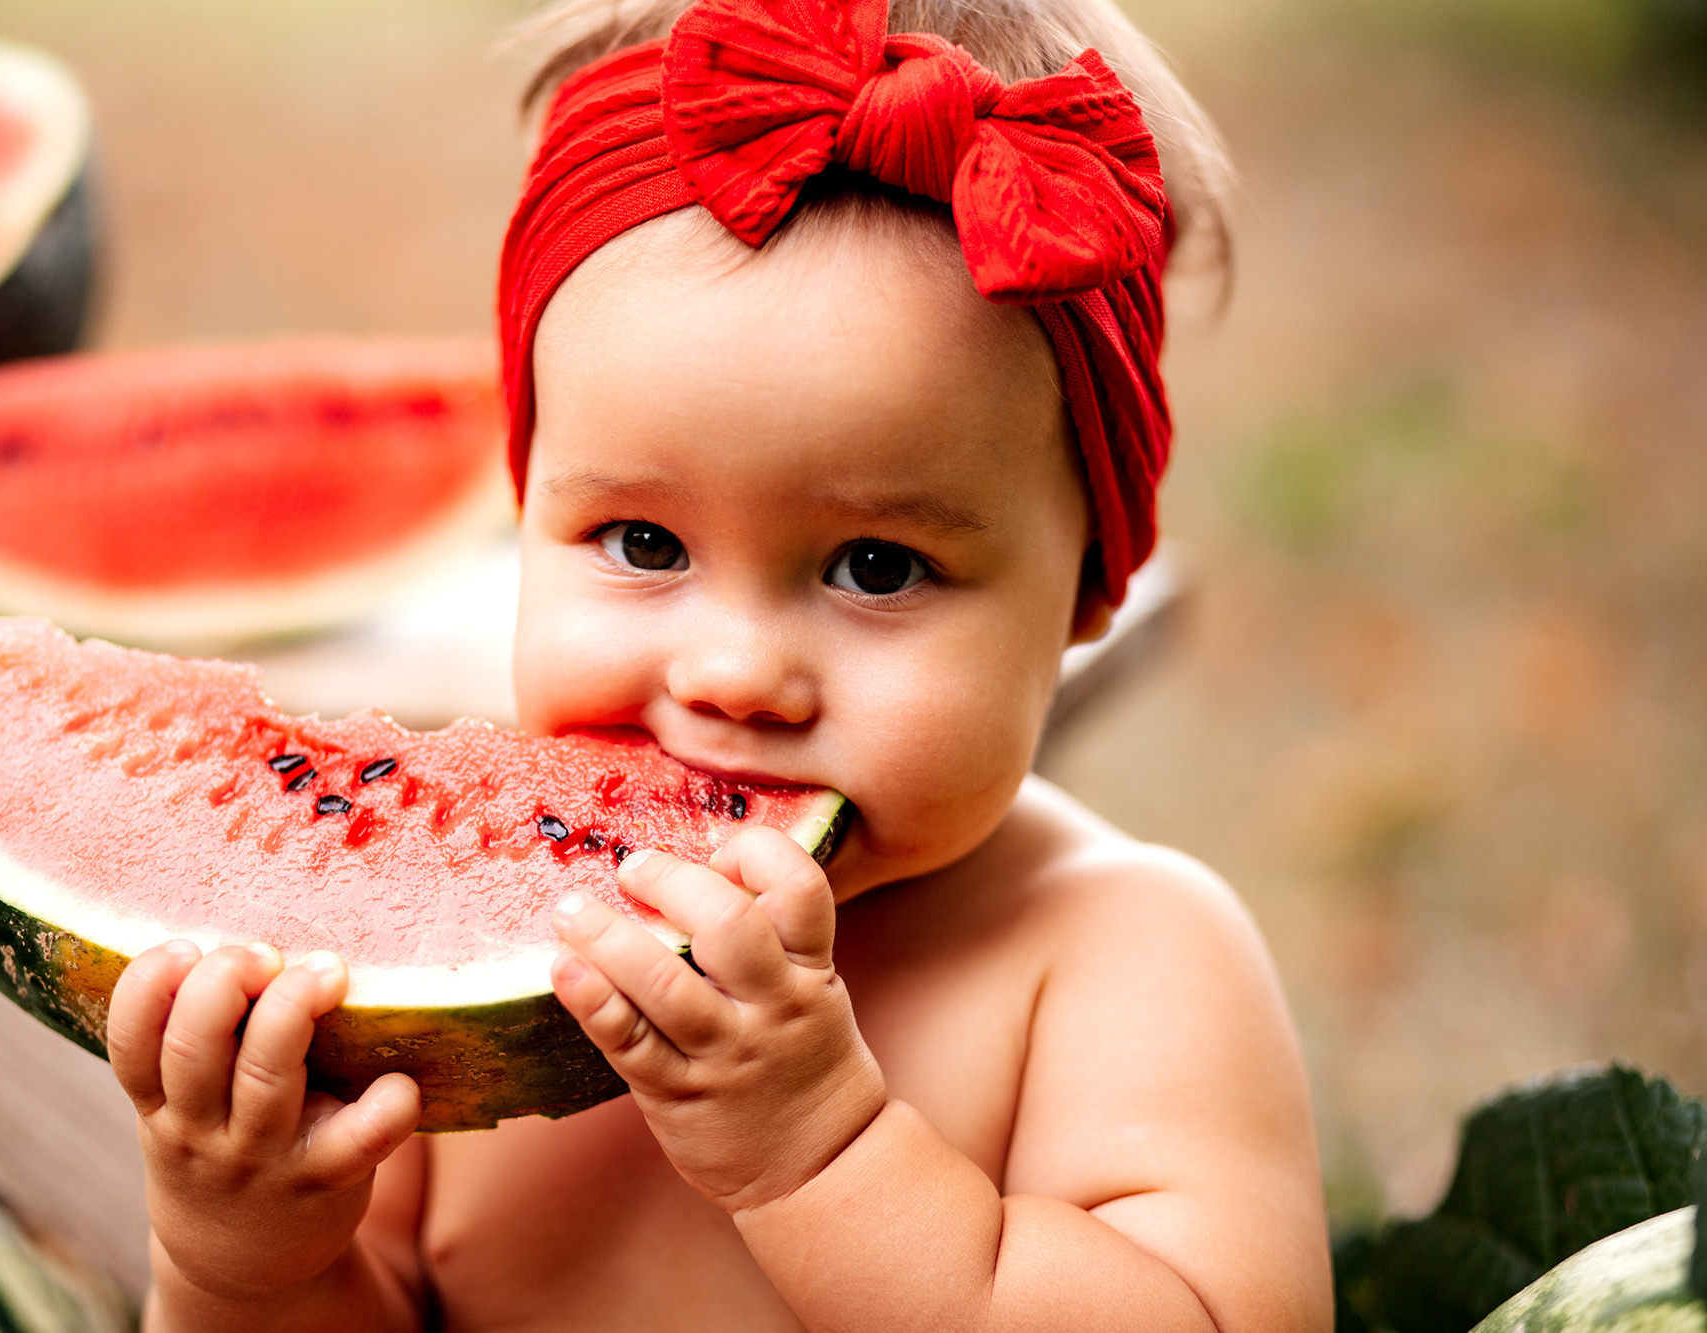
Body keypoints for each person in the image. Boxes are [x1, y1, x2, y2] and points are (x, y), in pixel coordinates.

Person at [103, 0, 1332, 1327]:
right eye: (642, 540)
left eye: (877, 565)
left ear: (1090, 588)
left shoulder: (1121, 955)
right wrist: (255, 1261)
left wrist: (823, 1153)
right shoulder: (418, 963)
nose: (737, 671)